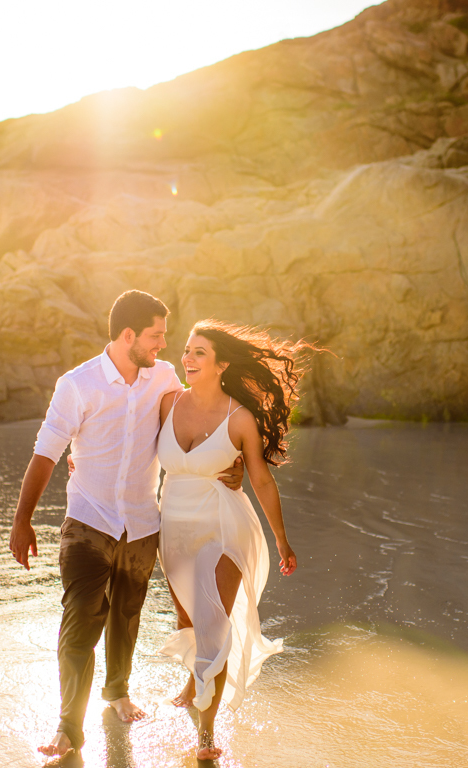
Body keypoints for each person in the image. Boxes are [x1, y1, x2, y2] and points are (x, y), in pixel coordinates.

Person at [8, 291, 244, 758]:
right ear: (129, 335)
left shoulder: (165, 378)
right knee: (80, 622)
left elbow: (192, 427)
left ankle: (116, 692)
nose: (163, 345)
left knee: (127, 617)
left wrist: (229, 465)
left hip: (142, 523)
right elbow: (47, 451)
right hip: (88, 521)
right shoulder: (78, 385)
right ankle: (68, 728)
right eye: (156, 335)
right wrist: (22, 520)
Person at [156, 319, 311, 760]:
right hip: (175, 528)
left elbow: (261, 481)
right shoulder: (167, 404)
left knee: (213, 626)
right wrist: (80, 462)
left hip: (225, 526)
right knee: (188, 620)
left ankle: (205, 734)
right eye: (187, 350)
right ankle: (194, 681)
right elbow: (130, 443)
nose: (187, 358)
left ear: (222, 363)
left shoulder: (239, 418)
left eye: (199, 352)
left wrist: (282, 540)